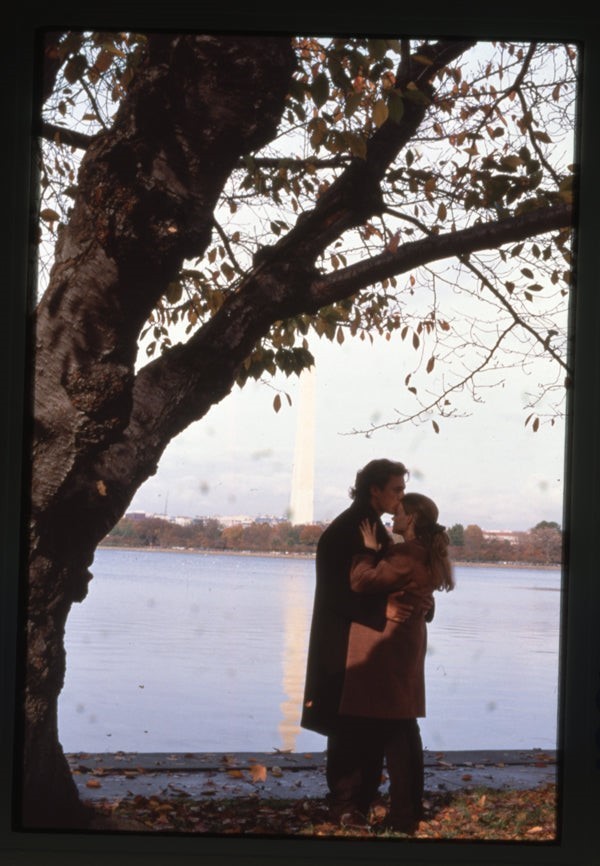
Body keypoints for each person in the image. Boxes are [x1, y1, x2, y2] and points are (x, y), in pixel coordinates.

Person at [300, 458, 411, 826]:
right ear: (374, 489)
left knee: (363, 723)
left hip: (361, 640)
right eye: (396, 489)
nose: (401, 496)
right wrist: (385, 609)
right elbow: (336, 593)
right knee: (347, 726)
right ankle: (346, 805)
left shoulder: (370, 525)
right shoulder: (351, 528)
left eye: (403, 489)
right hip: (342, 641)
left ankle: (360, 800)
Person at [338, 492, 454, 834]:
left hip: (388, 648)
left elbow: (361, 581)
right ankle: (405, 809)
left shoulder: (405, 554)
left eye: (400, 513)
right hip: (406, 645)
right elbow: (421, 595)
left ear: (412, 519)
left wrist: (367, 551)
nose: (394, 516)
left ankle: (402, 814)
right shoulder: (423, 552)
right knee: (401, 726)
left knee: (394, 730)